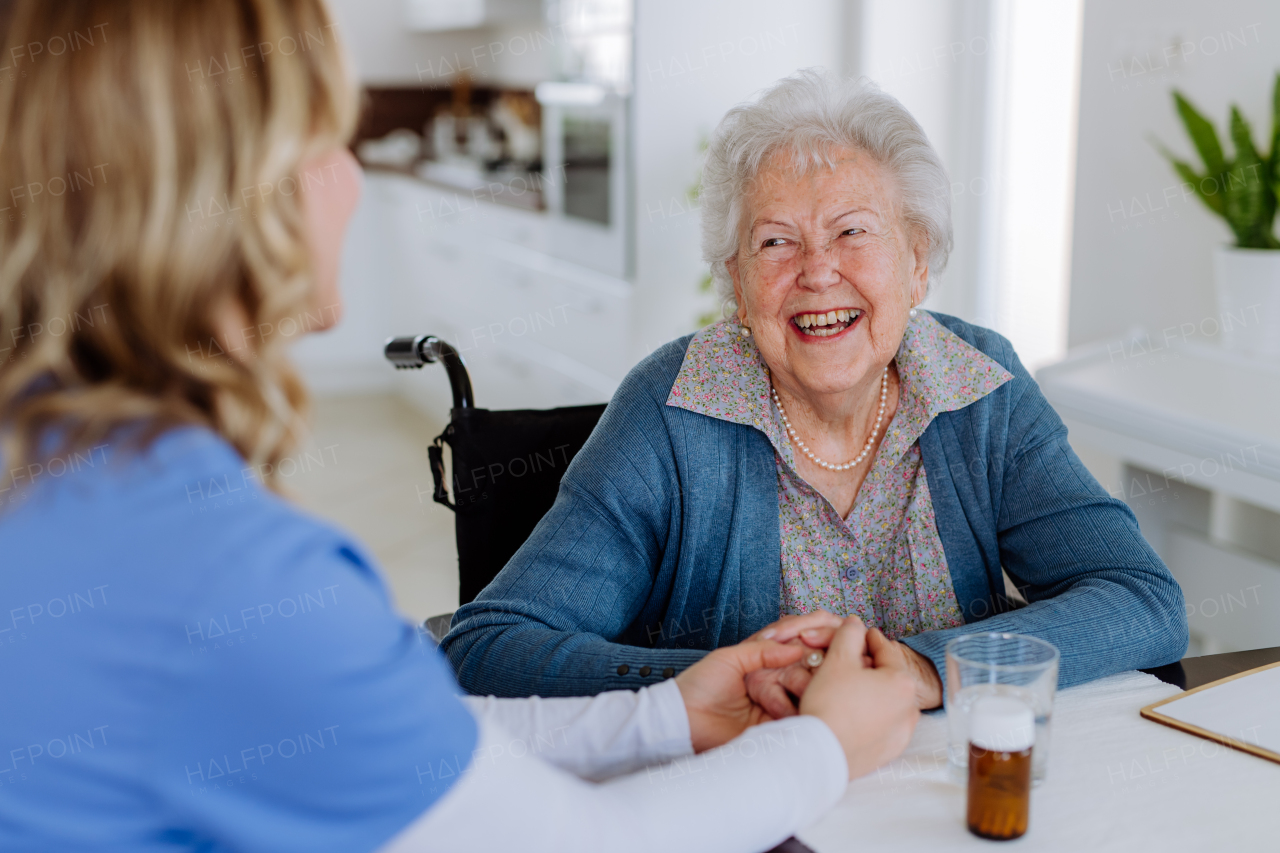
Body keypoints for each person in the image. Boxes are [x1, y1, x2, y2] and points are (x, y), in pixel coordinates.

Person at [0, 2, 925, 851]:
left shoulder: (60, 467)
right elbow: (582, 843)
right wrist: (824, 745)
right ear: (230, 196)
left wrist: (667, 714)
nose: (354, 177)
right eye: (329, 139)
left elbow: (411, 730)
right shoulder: (224, 576)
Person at [442, 68, 1190, 716]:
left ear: (917, 261)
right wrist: (724, 681)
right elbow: (487, 645)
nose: (817, 270)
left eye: (853, 232)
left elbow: (1141, 597)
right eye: (776, 241)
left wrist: (924, 669)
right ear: (736, 283)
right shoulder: (669, 410)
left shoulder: (980, 387)